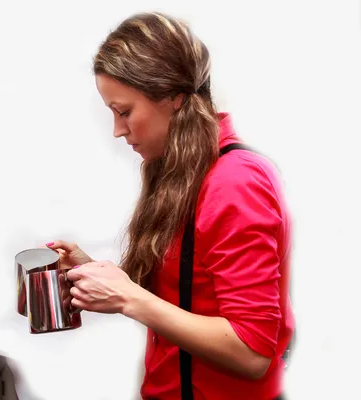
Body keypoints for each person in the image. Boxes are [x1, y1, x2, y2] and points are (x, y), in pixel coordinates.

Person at [45, 11, 294, 400]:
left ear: (174, 97)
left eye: (124, 111)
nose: (118, 130)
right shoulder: (182, 171)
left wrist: (130, 298)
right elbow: (187, 293)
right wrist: (93, 273)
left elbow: (252, 352)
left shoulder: (234, 182)